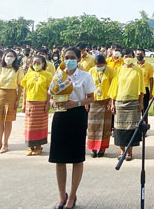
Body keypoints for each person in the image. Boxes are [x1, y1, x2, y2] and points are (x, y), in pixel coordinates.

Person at [49, 46, 95, 209]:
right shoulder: (58, 76)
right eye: (66, 57)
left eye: (71, 57)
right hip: (60, 116)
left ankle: (72, 196)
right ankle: (62, 196)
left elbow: (91, 98)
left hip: (77, 116)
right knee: (59, 159)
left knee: (76, 158)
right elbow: (51, 94)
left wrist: (75, 103)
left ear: (78, 59)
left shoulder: (85, 76)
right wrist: (54, 102)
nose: (68, 60)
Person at [110, 49, 145, 161]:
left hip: (133, 102)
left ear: (133, 56)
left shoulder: (138, 70)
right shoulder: (119, 70)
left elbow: (141, 89)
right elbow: (114, 88)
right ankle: (122, 151)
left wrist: (140, 102)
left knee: (131, 129)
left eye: (129, 56)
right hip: (120, 102)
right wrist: (112, 103)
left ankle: (129, 152)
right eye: (125, 56)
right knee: (119, 129)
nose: (127, 58)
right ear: (123, 57)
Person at [0, 49, 24, 154]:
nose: (9, 58)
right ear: (4, 57)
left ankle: (5, 143)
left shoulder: (18, 70)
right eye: (7, 55)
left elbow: (20, 86)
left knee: (8, 120)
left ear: (15, 58)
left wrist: (18, 99)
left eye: (11, 56)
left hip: (11, 94)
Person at [21, 55, 52, 156]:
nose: (36, 65)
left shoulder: (47, 75)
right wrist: (23, 104)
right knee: (30, 126)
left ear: (43, 64)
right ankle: (30, 146)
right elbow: (25, 90)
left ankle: (38, 146)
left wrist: (48, 103)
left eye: (38, 63)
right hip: (30, 103)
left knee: (40, 126)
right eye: (34, 63)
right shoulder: (28, 74)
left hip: (41, 103)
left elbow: (49, 91)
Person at [87, 54, 116, 158]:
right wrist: (87, 102)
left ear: (105, 63)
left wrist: (111, 101)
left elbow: (114, 86)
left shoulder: (111, 70)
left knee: (105, 127)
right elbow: (88, 87)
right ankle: (93, 149)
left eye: (101, 65)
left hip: (106, 101)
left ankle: (102, 149)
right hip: (94, 102)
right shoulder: (91, 71)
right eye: (97, 65)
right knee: (92, 126)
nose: (99, 67)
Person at [135, 48, 154, 126]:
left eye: (141, 54)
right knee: (136, 109)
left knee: (145, 109)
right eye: (138, 54)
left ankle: (145, 126)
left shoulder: (149, 66)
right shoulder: (133, 66)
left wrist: (151, 92)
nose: (139, 56)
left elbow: (151, 79)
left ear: (144, 55)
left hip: (145, 90)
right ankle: (136, 126)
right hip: (136, 90)